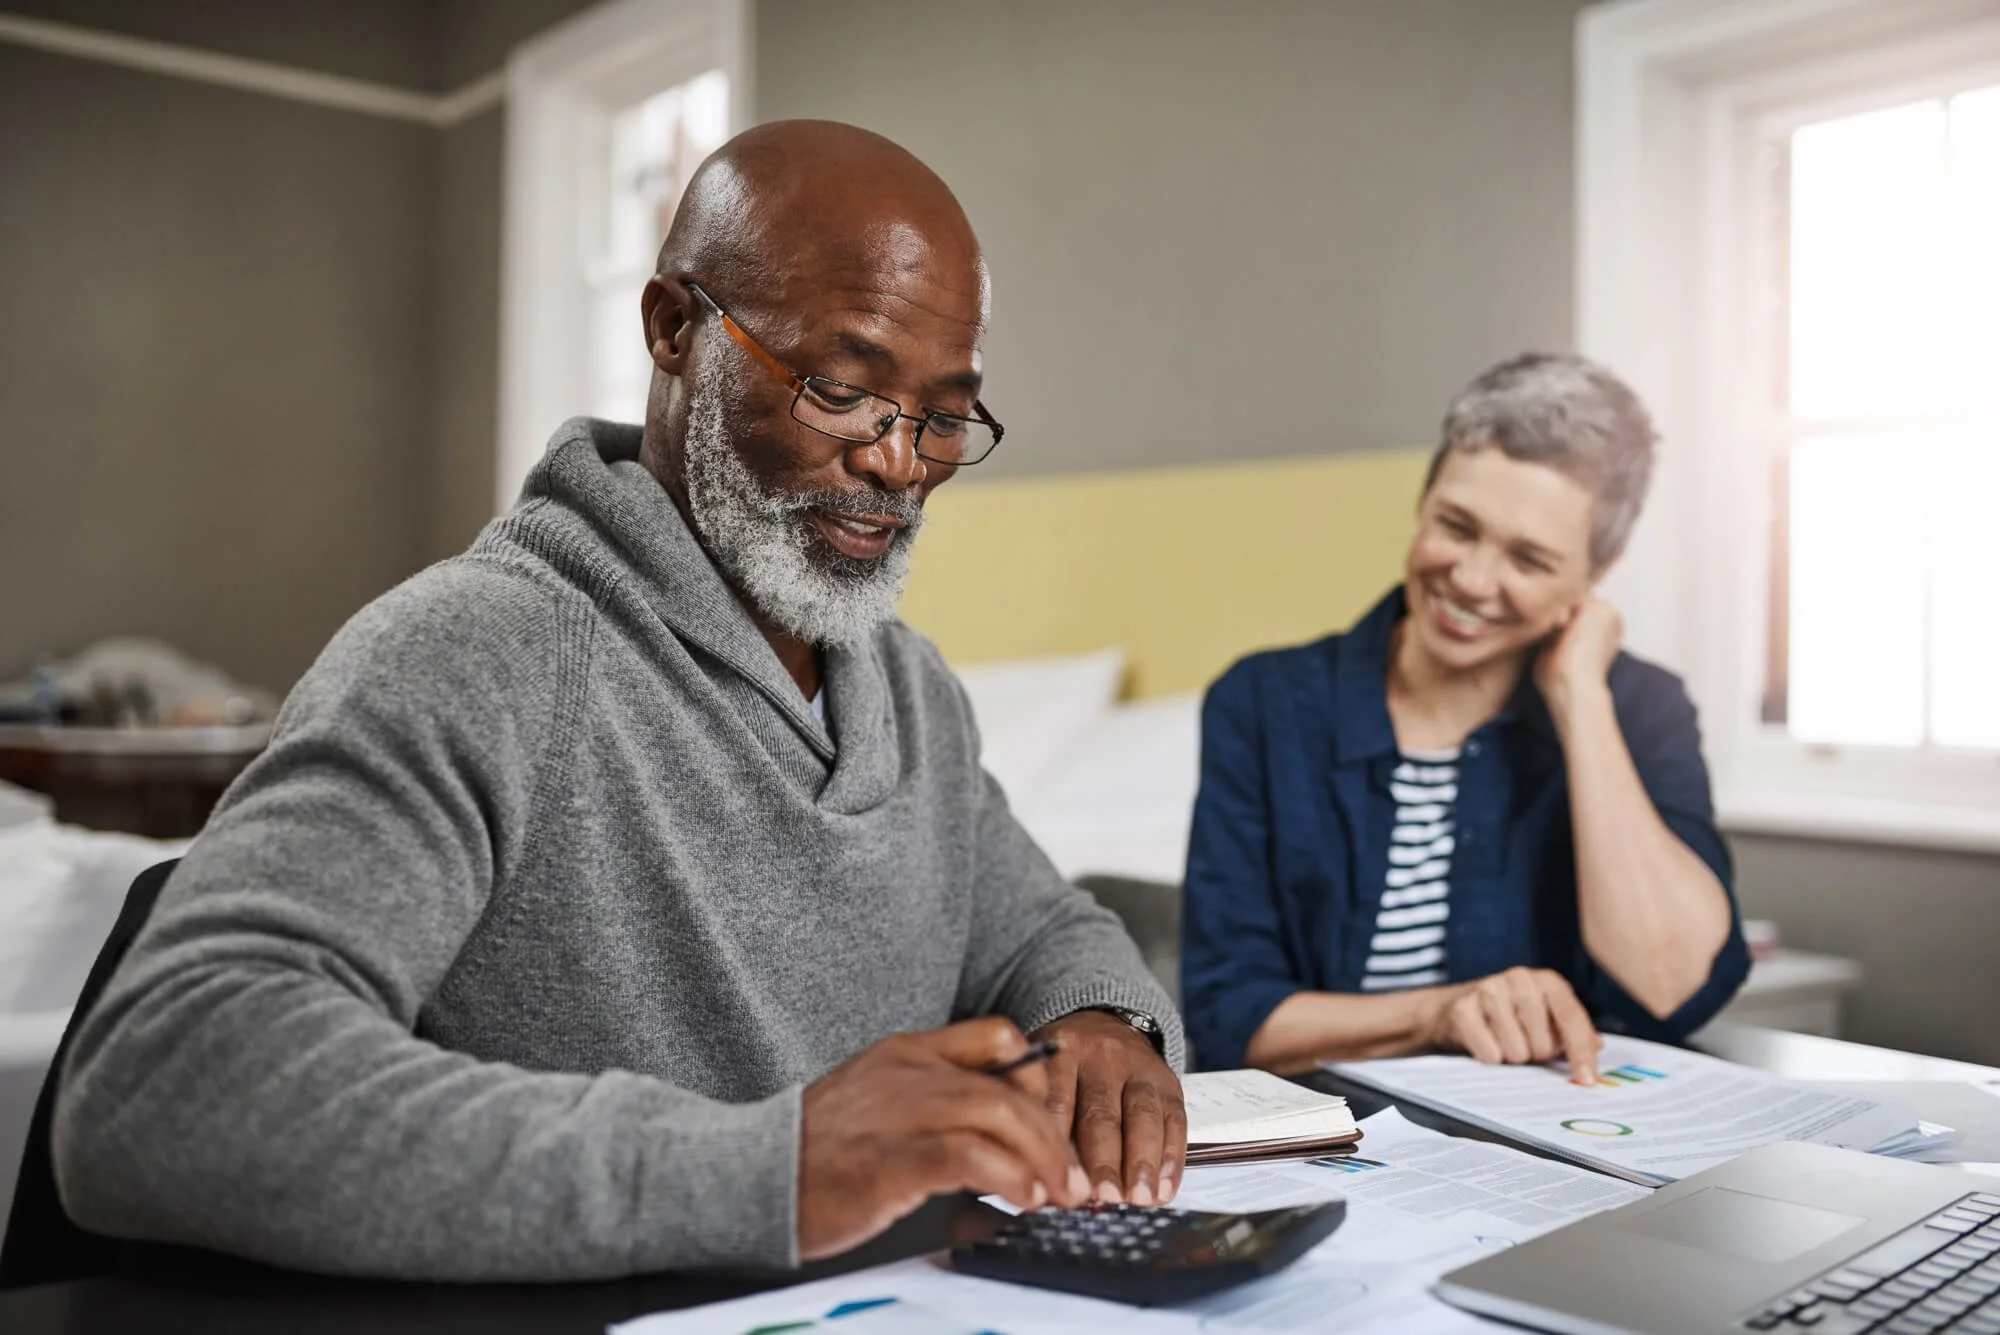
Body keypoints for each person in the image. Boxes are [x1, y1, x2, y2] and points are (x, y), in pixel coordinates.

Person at [52, 121, 1185, 1282]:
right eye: (842, 390)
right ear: (674, 329)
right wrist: (773, 1168)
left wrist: (1102, 1023)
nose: (897, 464)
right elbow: (166, 1083)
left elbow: (1045, 930)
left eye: (944, 417)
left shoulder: (911, 690)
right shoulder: (479, 651)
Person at [1181, 352, 1748, 1079]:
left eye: (1530, 560)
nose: (1474, 581)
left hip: (1550, 1153)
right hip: (1337, 1146)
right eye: (1457, 526)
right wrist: (1440, 1013)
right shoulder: (1263, 701)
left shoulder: (1641, 708)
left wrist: (1580, 696)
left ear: (1596, 572)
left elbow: (1673, 987)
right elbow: (1232, 1017)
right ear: (1424, 501)